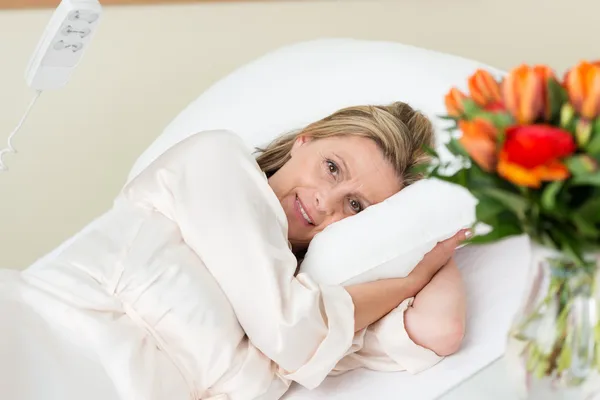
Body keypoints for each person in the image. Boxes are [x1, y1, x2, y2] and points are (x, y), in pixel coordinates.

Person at [16, 101, 467, 400]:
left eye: (356, 205)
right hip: (41, 350)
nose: (325, 201)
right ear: (303, 141)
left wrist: (431, 237)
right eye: (332, 168)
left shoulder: (324, 300)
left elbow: (439, 328)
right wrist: (408, 281)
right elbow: (289, 329)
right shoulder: (216, 165)